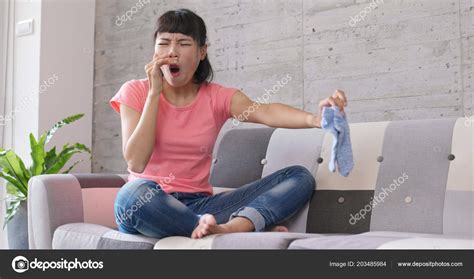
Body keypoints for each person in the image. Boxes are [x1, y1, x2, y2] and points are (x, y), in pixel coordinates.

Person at [110, 9, 347, 239]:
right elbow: (136, 162)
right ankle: (229, 230)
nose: (172, 52)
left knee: (299, 176)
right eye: (163, 43)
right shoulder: (135, 91)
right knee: (131, 194)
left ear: (202, 51)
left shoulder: (216, 97)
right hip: (149, 205)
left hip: (203, 206)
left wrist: (314, 119)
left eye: (183, 43)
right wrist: (154, 95)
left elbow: (265, 111)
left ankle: (230, 229)